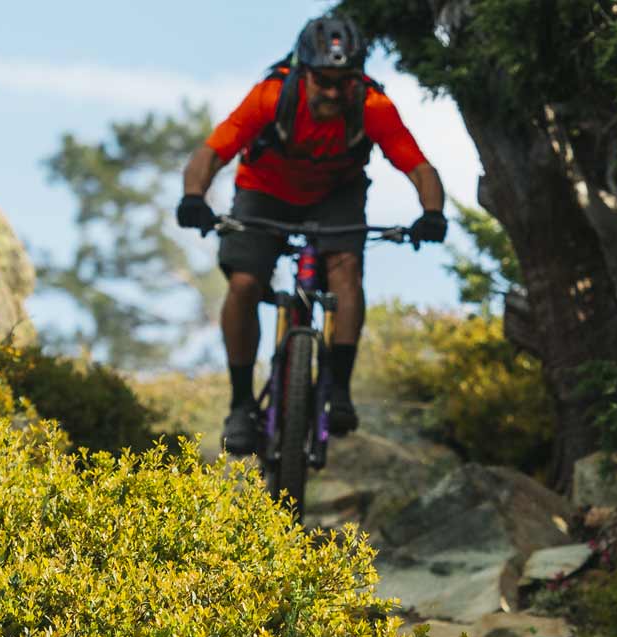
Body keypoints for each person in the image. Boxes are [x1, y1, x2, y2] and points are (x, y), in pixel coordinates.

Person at [177, 12, 448, 451]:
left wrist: (431, 212)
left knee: (346, 277)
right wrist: (194, 197)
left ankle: (338, 389)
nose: (334, 91)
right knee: (245, 283)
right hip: (263, 191)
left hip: (335, 195)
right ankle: (241, 403)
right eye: (324, 80)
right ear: (304, 73)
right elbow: (211, 153)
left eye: (345, 81)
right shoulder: (270, 97)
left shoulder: (373, 107)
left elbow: (419, 167)